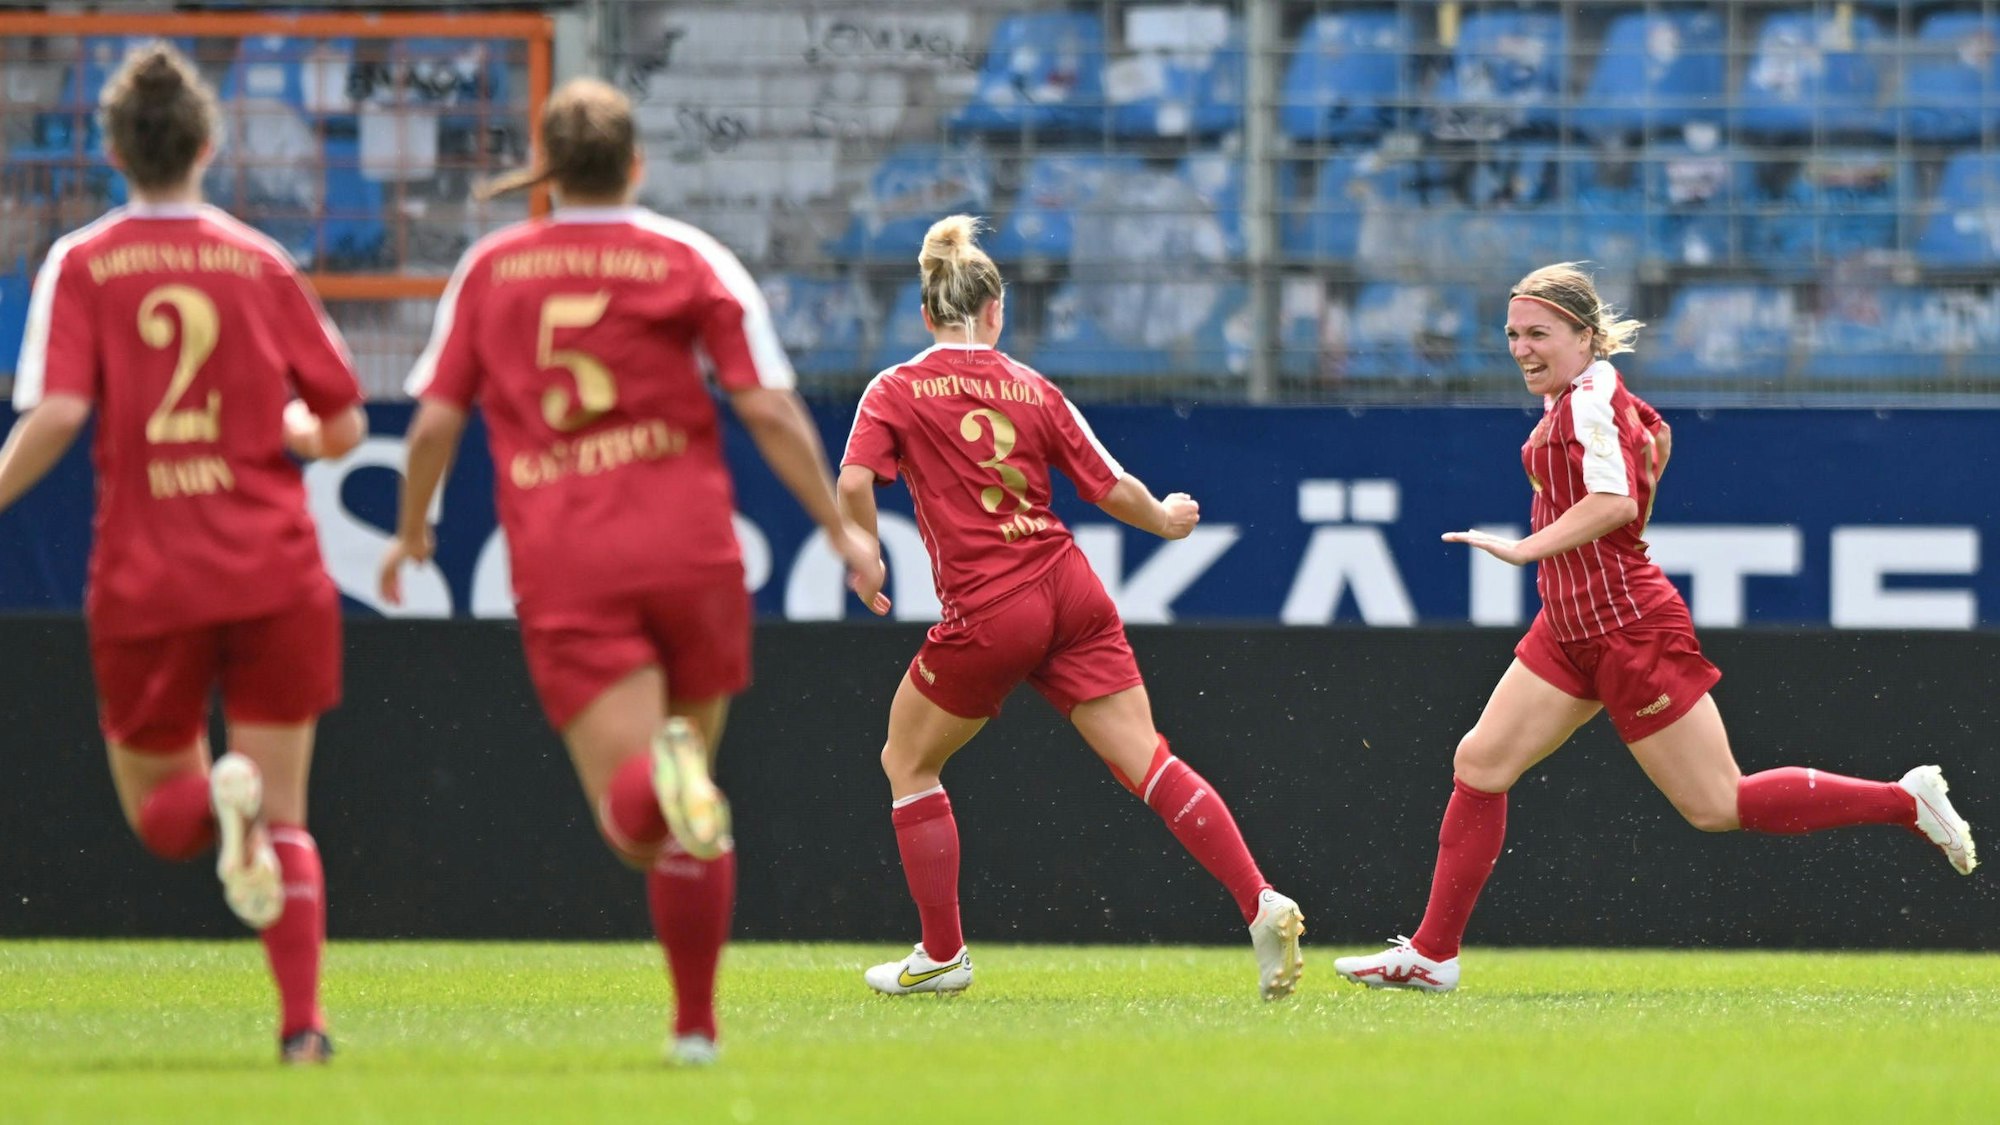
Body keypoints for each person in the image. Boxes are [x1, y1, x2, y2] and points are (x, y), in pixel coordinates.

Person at [377, 78, 880, 1066]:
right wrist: (838, 528)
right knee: (691, 813)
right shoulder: (691, 258)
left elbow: (434, 422)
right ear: (637, 164)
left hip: (572, 562)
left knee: (640, 824)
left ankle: (667, 799)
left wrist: (410, 528)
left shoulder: (492, 270)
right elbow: (766, 406)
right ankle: (694, 1029)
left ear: (548, 171)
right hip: (693, 552)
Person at [1334, 262, 1978, 993]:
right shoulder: (1591, 393)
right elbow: (1656, 441)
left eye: (1538, 333)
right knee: (1480, 762)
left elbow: (1613, 502)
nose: (1521, 348)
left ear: (1584, 335)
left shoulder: (1588, 399)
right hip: (1570, 624)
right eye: (1513, 334)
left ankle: (1905, 800)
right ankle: (1433, 954)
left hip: (1626, 627)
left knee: (1718, 804)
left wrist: (1526, 548)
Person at [0, 44, 365, 1063]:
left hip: (149, 571)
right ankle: (302, 1028)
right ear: (208, 146)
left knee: (166, 820)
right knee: (285, 819)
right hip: (272, 567)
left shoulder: (82, 262)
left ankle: (217, 796)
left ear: (115, 152)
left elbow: (57, 412)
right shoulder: (261, 260)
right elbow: (342, 423)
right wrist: (293, 432)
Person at [838, 215, 1305, 1001]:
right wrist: (1166, 520)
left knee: (907, 760)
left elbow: (855, 481)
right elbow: (1108, 483)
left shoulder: (895, 388)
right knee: (1148, 758)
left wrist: (865, 552)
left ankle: (943, 954)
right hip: (1068, 585)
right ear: (996, 311)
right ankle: (1258, 898)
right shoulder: (1031, 386)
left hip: (992, 603)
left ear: (925, 313)